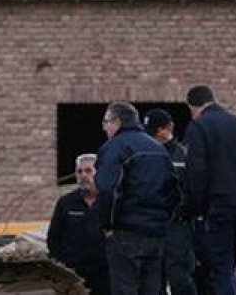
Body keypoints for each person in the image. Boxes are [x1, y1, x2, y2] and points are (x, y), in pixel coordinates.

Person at [182, 85, 236, 295]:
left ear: (192, 106)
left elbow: (196, 173)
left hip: (215, 209)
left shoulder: (198, 127)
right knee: (228, 266)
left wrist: (196, 210)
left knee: (218, 270)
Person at [95, 101, 179, 295]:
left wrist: (106, 225)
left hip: (126, 233)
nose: (104, 128)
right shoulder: (158, 148)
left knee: (125, 288)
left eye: (105, 122)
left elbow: (109, 191)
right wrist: (163, 220)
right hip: (156, 234)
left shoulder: (114, 147)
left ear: (116, 121)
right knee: (152, 289)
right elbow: (174, 191)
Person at [143, 108, 195, 295]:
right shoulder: (145, 155)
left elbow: (194, 190)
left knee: (180, 278)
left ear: (169, 127)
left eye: (158, 131)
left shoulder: (184, 155)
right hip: (152, 226)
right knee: (154, 282)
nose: (155, 137)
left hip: (178, 227)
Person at [47, 153, 110, 295]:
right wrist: (64, 266)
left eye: (88, 171)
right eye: (79, 171)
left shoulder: (110, 202)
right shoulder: (66, 203)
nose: (83, 175)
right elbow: (53, 239)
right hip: (74, 276)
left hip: (106, 276)